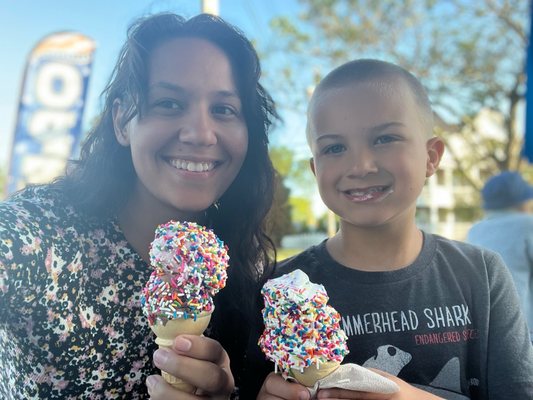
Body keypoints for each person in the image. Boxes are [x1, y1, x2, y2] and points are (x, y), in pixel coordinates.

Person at [0, 12, 279, 399]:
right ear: (121, 121)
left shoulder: (241, 269)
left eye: (224, 109)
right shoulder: (44, 234)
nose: (200, 133)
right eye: (168, 103)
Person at [244, 59, 533, 399]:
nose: (361, 165)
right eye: (334, 147)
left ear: (431, 156)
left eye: (384, 138)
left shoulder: (483, 276)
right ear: (314, 168)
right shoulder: (276, 292)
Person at [467, 170, 533, 342]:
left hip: (486, 327)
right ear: (522, 201)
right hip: (524, 328)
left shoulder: (475, 231)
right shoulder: (528, 224)